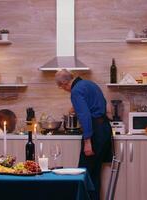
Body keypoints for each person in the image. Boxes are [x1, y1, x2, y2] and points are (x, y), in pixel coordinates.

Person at [55, 69, 113, 200]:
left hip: (94, 132)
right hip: (104, 129)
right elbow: (101, 104)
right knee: (93, 175)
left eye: (61, 87)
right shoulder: (89, 84)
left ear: (65, 83)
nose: (64, 90)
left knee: (82, 175)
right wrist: (76, 107)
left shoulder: (76, 91)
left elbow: (85, 116)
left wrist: (87, 142)